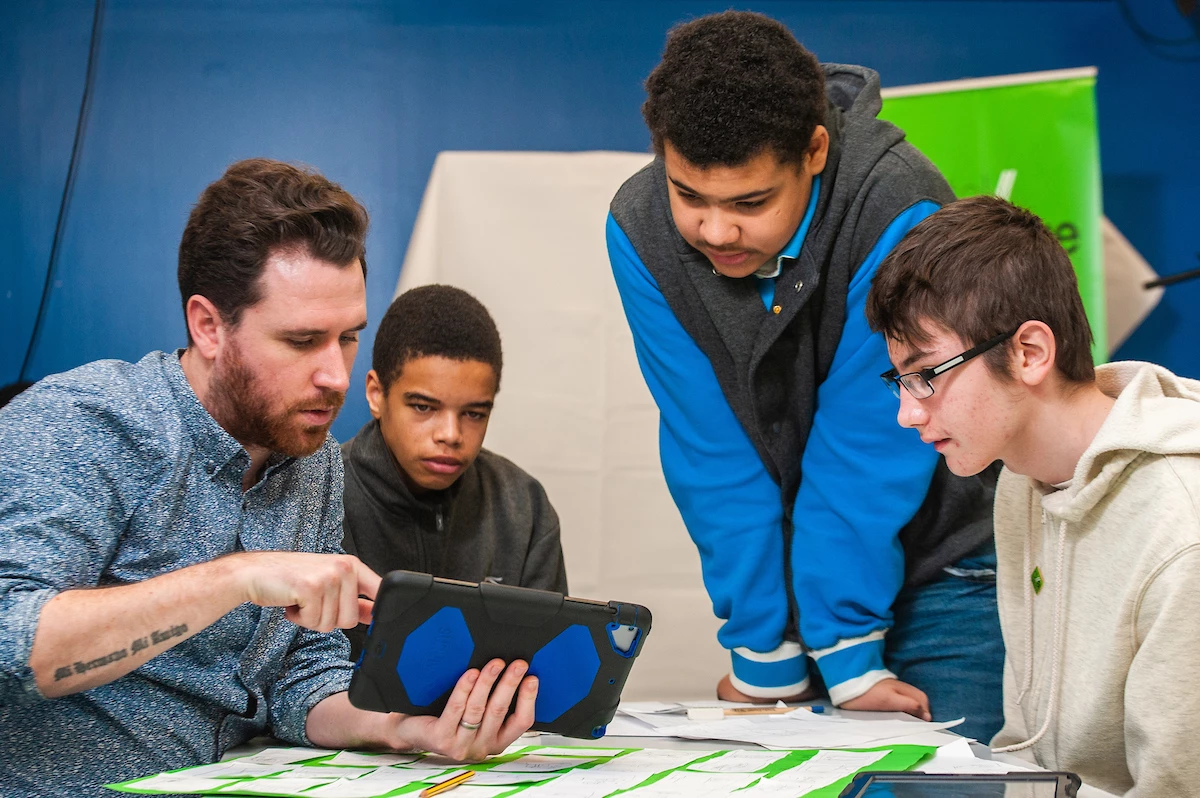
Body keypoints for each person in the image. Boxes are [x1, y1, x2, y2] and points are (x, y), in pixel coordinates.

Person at [0, 159, 537, 798]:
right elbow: (13, 641)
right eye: (302, 340)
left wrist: (407, 728)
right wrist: (237, 577)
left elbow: (298, 677)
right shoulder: (83, 421)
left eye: (346, 339)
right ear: (209, 328)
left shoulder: (313, 461)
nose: (337, 376)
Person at [607, 10, 1002, 738]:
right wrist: (763, 651)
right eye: (690, 195)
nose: (717, 231)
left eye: (750, 202)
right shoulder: (638, 228)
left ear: (814, 151)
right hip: (796, 587)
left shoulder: (896, 207)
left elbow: (869, 442)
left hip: (940, 572)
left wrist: (848, 654)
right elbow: (710, 447)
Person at [866, 194, 1200, 796]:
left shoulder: (1183, 529)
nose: (908, 414)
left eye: (927, 375)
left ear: (1029, 352)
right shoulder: (1020, 481)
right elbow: (1030, 751)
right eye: (899, 381)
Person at [341, 284, 568, 658]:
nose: (451, 435)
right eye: (423, 407)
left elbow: (546, 662)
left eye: (474, 414)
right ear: (376, 395)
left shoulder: (523, 505)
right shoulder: (318, 494)